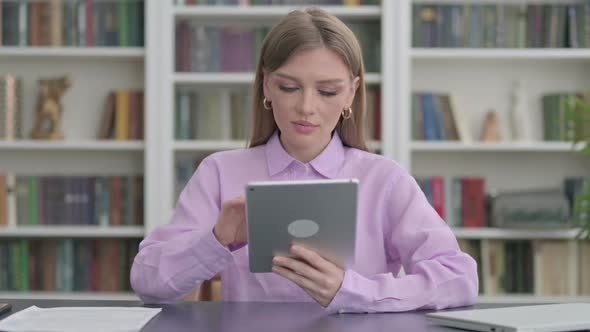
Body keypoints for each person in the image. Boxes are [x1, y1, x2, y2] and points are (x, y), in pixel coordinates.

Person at [130, 7, 478, 314]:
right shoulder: (220, 172)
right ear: (266, 86)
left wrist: (354, 291)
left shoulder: (384, 179)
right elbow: (147, 281)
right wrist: (216, 239)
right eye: (288, 87)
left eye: (327, 91)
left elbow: (460, 279)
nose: (307, 107)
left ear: (351, 93)